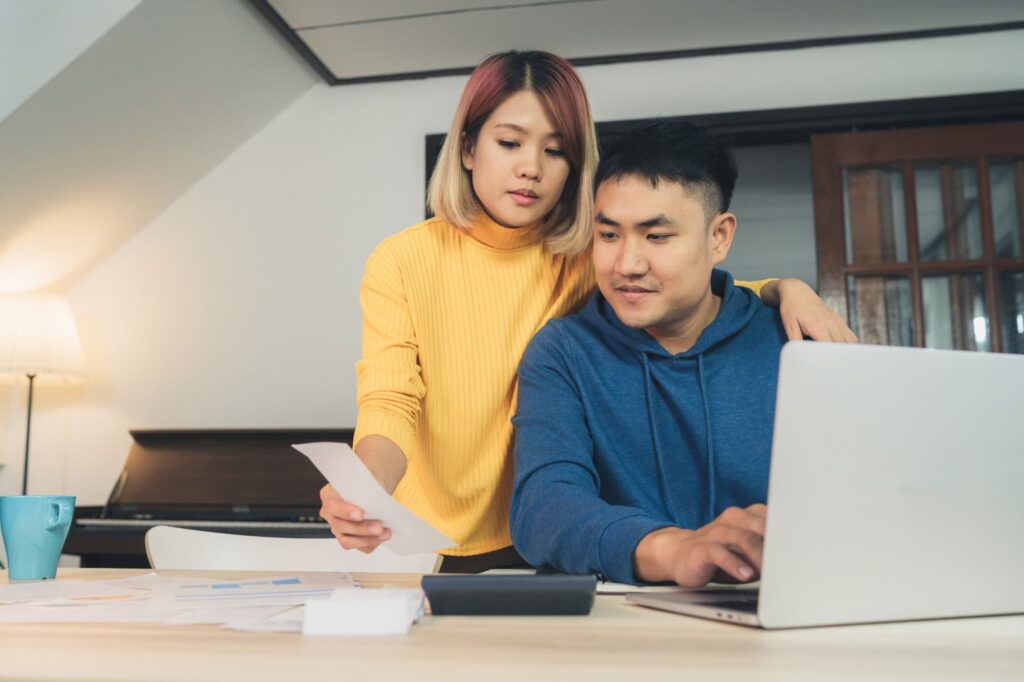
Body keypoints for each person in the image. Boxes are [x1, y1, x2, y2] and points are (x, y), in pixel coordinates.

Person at [319, 51, 853, 573]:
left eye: (556, 151)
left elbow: (687, 290)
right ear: (467, 148)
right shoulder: (405, 259)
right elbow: (391, 398)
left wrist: (782, 289)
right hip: (433, 537)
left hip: (548, 540)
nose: (530, 169)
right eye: (509, 143)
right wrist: (365, 489)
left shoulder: (583, 253)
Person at [510, 121, 789, 587]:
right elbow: (544, 507)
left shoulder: (793, 342)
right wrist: (673, 550)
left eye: (656, 237)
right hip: (623, 626)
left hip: (781, 610)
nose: (627, 265)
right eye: (609, 235)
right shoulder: (563, 352)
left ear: (718, 237)